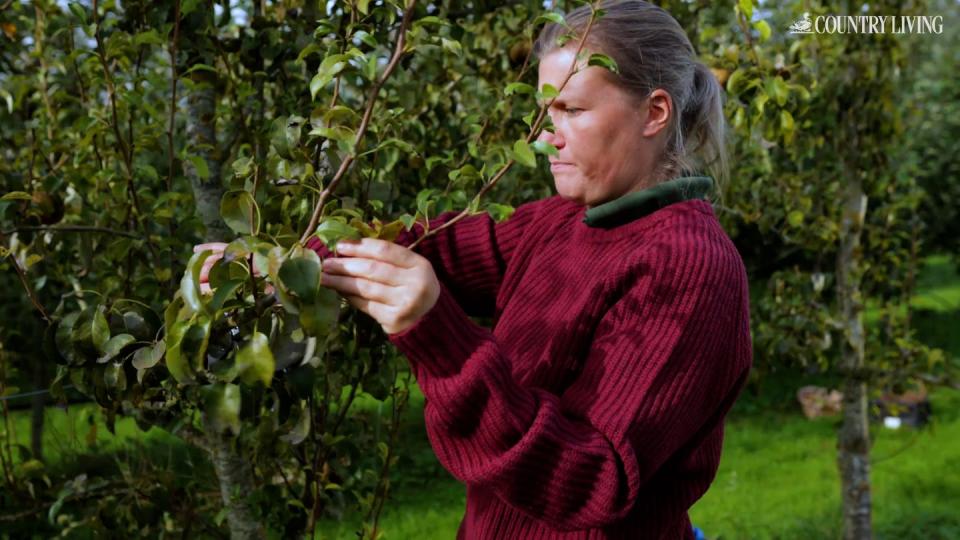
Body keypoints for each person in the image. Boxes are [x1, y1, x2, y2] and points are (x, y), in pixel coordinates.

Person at [201, 1, 751, 538]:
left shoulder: (687, 264)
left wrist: (436, 334)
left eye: (572, 111)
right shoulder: (558, 223)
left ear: (655, 112)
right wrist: (274, 264)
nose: (543, 137)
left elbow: (595, 481)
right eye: (542, 112)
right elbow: (429, 246)